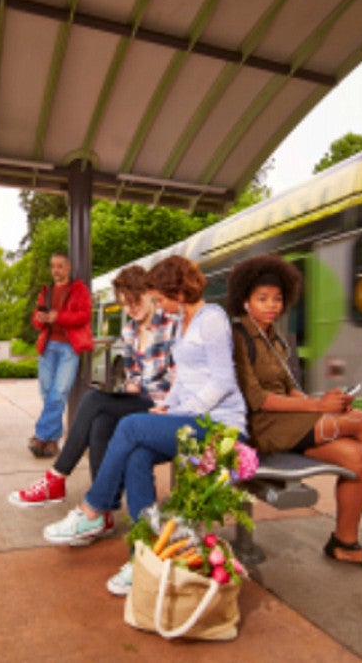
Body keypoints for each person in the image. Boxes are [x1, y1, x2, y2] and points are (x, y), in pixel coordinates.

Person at [41, 255, 247, 595]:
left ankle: (93, 508)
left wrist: (183, 413)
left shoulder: (212, 319)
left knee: (130, 427)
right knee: (136, 452)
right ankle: (145, 556)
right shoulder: (185, 321)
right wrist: (168, 407)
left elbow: (224, 381)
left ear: (177, 292)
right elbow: (184, 379)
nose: (159, 304)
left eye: (161, 297)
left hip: (220, 424)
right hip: (189, 416)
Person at [226, 253, 362, 574]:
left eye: (277, 299)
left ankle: (344, 544)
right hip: (263, 428)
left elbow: (290, 388)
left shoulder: (276, 340)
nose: (272, 305)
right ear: (245, 302)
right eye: (262, 299)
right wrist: (317, 407)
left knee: (357, 457)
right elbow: (258, 399)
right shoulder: (238, 337)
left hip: (290, 422)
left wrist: (324, 401)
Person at [8, 265, 178, 539]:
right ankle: (104, 514)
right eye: (125, 304)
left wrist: (163, 401)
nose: (131, 309)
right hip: (141, 400)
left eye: (135, 302)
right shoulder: (130, 331)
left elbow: (181, 378)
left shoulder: (171, 326)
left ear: (149, 293)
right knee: (101, 419)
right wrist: (126, 392)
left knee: (93, 399)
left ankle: (57, 478)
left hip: (165, 406)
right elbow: (134, 378)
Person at [29, 252, 94, 458]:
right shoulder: (46, 292)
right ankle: (52, 441)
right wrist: (41, 318)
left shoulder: (79, 289)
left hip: (68, 348)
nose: (55, 270)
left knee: (58, 392)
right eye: (53, 266)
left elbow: (84, 316)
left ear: (67, 268)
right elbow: (36, 322)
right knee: (47, 392)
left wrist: (60, 317)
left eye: (59, 266)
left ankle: (40, 436)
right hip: (48, 346)